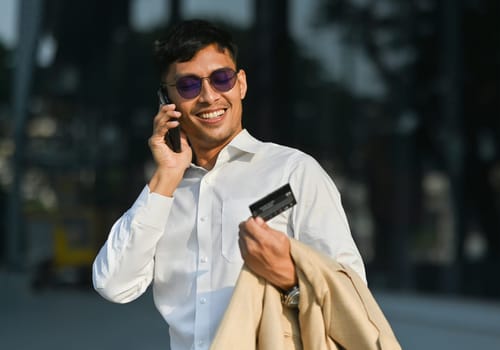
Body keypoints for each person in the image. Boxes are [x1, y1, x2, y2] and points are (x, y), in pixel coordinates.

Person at [92, 19, 366, 350]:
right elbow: (113, 285)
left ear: (241, 84)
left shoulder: (294, 173)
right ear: (167, 99)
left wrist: (290, 281)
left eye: (221, 79)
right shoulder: (162, 193)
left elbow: (351, 291)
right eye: (190, 86)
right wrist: (165, 175)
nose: (209, 97)